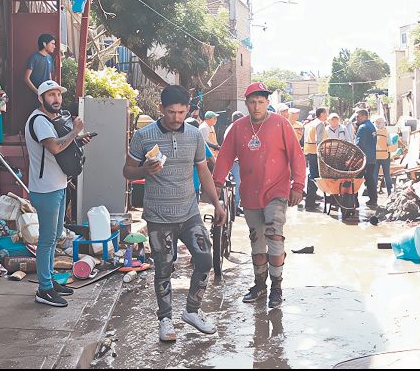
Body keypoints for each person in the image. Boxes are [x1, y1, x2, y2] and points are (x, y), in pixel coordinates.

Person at [123, 85, 225, 342]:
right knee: (164, 267)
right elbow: (127, 171)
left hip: (189, 213)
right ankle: (165, 319)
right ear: (161, 109)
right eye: (171, 112)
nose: (176, 118)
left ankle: (192, 310)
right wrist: (144, 170)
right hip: (158, 217)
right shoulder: (143, 136)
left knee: (204, 258)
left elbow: (203, 172)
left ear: (188, 110)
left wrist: (217, 203)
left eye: (181, 112)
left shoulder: (194, 135)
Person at [213, 82, 306, 309]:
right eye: (252, 102)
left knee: (274, 235)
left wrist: (298, 185)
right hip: (251, 192)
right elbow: (225, 157)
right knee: (257, 240)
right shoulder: (238, 128)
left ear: (267, 103)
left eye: (261, 102)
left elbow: (297, 156)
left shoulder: (281, 124)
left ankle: (277, 286)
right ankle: (259, 284)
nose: (256, 107)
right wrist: (216, 183)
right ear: (246, 104)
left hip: (278, 189)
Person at [25, 80, 91, 308]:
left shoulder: (49, 120)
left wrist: (78, 139)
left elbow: (60, 148)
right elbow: (54, 147)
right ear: (40, 98)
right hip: (46, 189)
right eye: (50, 95)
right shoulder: (39, 121)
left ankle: (50, 280)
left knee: (53, 238)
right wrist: (75, 131)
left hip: (58, 185)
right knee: (46, 240)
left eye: (58, 95)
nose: (56, 99)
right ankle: (44, 289)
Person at [303, 107, 328, 209]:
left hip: (309, 151)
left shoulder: (310, 124)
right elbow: (320, 141)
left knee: (311, 175)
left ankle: (311, 199)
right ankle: (310, 201)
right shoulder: (320, 124)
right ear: (321, 114)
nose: (327, 115)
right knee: (314, 176)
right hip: (316, 153)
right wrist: (322, 155)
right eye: (326, 113)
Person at [355, 109, 378, 208]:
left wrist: (355, 158)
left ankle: (353, 200)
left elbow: (359, 145)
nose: (357, 119)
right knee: (370, 178)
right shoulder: (372, 126)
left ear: (364, 116)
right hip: (371, 157)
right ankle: (373, 199)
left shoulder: (363, 127)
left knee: (355, 179)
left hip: (363, 158)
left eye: (358, 116)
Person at [223, 111, 246, 212]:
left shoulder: (232, 128)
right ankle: (234, 207)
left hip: (233, 160)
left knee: (235, 184)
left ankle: (234, 206)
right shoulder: (235, 128)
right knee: (236, 183)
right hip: (234, 161)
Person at [374, 116, 395, 197]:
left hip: (376, 155)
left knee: (375, 174)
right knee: (387, 174)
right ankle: (390, 192)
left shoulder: (374, 132)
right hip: (385, 155)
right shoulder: (386, 132)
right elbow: (389, 143)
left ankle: (374, 193)